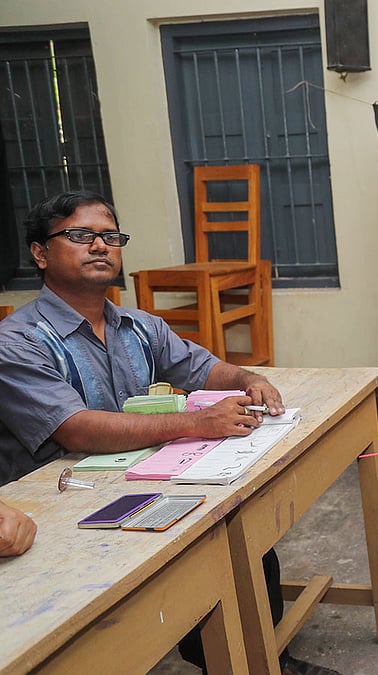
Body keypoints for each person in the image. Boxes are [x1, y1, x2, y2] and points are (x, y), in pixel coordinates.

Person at [0, 191, 337, 675]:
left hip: (142, 479)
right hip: (60, 511)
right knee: (197, 560)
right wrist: (197, 423)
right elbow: (73, 429)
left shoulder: (137, 325)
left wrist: (248, 379)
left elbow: (201, 367)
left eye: (110, 237)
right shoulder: (18, 341)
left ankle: (266, 661)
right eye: (80, 235)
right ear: (40, 252)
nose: (100, 246)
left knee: (239, 533)